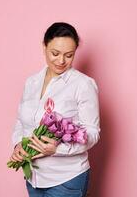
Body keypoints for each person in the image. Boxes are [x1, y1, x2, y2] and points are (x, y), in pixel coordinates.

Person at [9, 22, 100, 197]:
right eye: (55, 53)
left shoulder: (83, 84)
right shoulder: (31, 82)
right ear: (44, 46)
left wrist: (58, 149)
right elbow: (21, 122)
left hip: (67, 179)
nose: (61, 61)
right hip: (33, 178)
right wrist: (18, 145)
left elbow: (92, 132)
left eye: (69, 55)